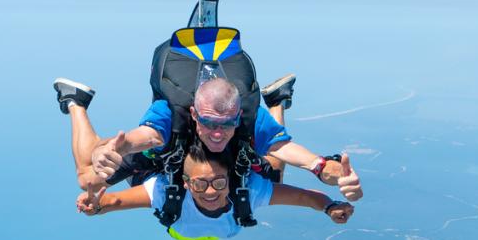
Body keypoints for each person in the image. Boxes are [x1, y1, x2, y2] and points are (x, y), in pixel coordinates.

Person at [54, 74, 363, 203]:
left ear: (237, 115)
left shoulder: (249, 117)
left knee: (275, 170)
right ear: (193, 113)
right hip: (161, 156)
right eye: (208, 123)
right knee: (89, 181)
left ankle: (276, 101)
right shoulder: (170, 114)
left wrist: (326, 169)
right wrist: (111, 150)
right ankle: (76, 101)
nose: (217, 133)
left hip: (222, 158)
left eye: (227, 124)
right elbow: (145, 137)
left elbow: (289, 150)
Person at [73, 134, 355, 240]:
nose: (210, 192)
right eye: (200, 184)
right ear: (186, 183)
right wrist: (94, 202)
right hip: (153, 167)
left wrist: (329, 206)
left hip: (175, 176)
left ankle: (276, 107)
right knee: (88, 176)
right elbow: (108, 202)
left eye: (219, 183)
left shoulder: (247, 191)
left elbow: (306, 197)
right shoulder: (165, 191)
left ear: (230, 181)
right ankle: (76, 103)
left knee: (268, 172)